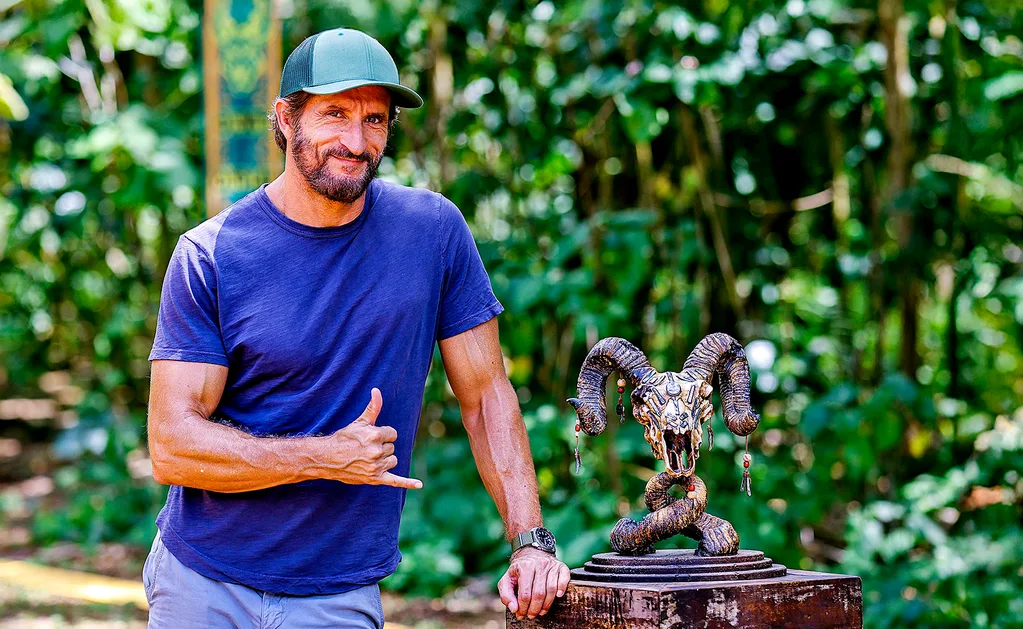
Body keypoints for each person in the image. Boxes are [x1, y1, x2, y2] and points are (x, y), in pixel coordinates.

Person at [144, 27, 570, 628]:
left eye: (375, 119)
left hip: (339, 593)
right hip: (206, 584)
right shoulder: (213, 254)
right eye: (334, 114)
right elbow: (172, 447)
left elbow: (485, 396)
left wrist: (531, 539)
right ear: (286, 120)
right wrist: (325, 457)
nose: (355, 140)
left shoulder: (432, 233)